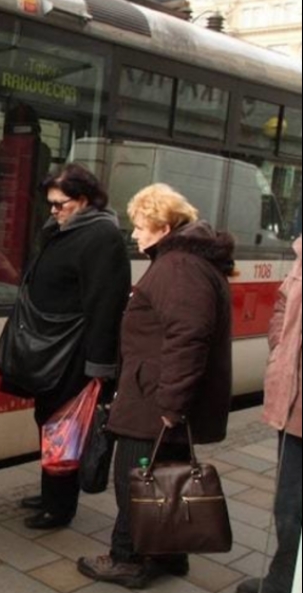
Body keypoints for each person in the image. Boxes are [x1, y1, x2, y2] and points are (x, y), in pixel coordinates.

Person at [77, 183, 234, 588]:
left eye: (140, 224)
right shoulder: (185, 261)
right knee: (166, 477)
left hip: (154, 402)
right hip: (160, 394)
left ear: (163, 226)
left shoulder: (178, 266)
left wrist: (170, 403)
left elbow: (188, 336)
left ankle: (127, 558)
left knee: (136, 478)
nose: (134, 233)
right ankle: (168, 554)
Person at [0, 163, 130, 529]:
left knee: (64, 427)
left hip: (73, 352)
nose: (54, 210)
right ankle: (50, 490)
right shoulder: (64, 229)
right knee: (48, 419)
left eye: (61, 204)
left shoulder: (101, 237)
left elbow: (106, 305)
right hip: (52, 346)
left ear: (84, 200)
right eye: (50, 204)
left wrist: (100, 368)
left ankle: (59, 508)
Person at [236, 236, 301, 593]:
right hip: (292, 402)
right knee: (289, 504)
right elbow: (281, 306)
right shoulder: (301, 256)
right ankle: (284, 577)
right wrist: (281, 348)